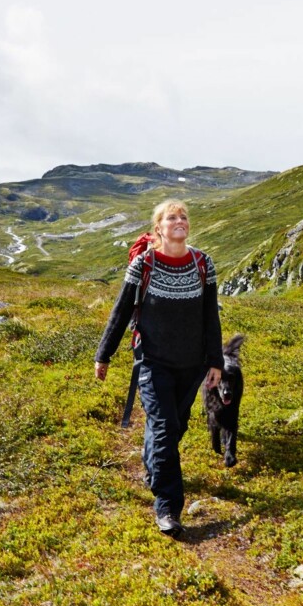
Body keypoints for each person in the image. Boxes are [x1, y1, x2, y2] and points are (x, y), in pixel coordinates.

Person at [94, 199, 223, 537]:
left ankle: (152, 462)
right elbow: (121, 311)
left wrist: (215, 361)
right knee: (165, 427)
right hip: (152, 362)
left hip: (192, 364)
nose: (179, 221)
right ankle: (168, 507)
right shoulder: (144, 264)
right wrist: (103, 355)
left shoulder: (203, 264)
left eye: (183, 216)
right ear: (159, 228)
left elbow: (211, 316)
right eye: (171, 217)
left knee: (175, 427)